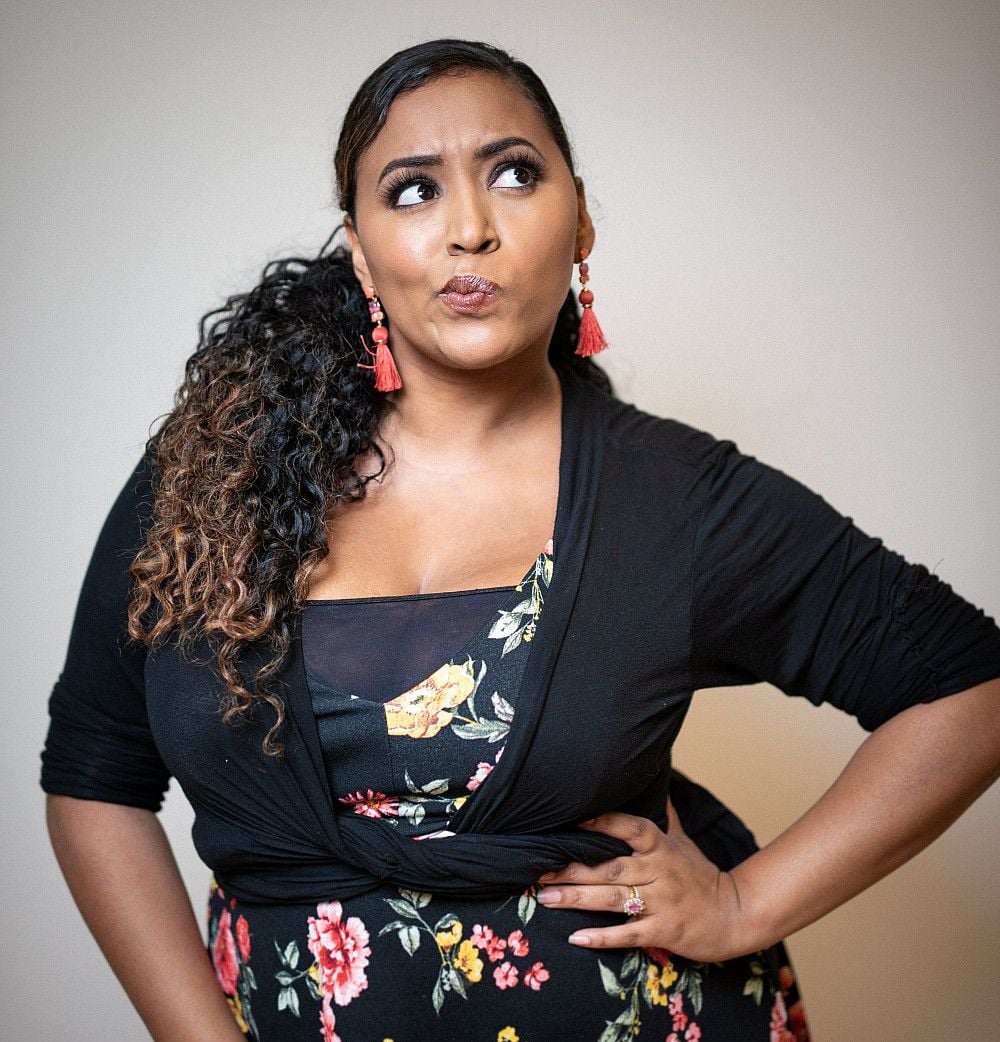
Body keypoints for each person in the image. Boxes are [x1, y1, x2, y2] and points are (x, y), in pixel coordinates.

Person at [40, 37, 1000, 1042]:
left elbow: (967, 686)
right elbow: (95, 778)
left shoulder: (670, 497)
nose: (469, 228)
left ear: (578, 218)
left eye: (512, 174)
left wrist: (742, 905)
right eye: (414, 190)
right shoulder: (214, 476)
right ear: (361, 249)